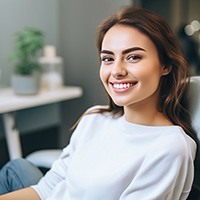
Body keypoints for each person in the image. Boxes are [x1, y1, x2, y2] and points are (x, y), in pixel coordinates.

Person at [0, 6, 199, 200]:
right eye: (108, 58)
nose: (117, 71)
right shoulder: (95, 117)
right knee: (16, 168)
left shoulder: (170, 147)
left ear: (165, 65)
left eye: (133, 57)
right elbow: (49, 188)